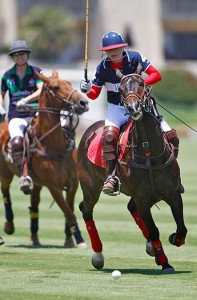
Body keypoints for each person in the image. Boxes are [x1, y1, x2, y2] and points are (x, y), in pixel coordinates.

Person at [80, 31, 179, 196]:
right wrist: (87, 88)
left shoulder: (135, 57)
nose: (114, 52)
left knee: (171, 135)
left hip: (142, 105)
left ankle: (171, 173)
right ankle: (111, 178)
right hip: (117, 108)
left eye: (117, 48)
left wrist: (138, 84)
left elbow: (156, 75)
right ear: (105, 52)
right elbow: (94, 94)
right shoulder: (102, 68)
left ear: (123, 47)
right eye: (110, 50)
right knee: (109, 137)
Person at [0, 40, 43, 194]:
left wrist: (26, 99)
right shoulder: (7, 76)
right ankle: (24, 175)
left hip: (36, 113)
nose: (20, 57)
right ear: (13, 57)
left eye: (22, 54)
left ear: (27, 55)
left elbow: (41, 89)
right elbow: (2, 94)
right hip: (16, 116)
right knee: (17, 142)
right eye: (17, 55)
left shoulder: (36, 71)